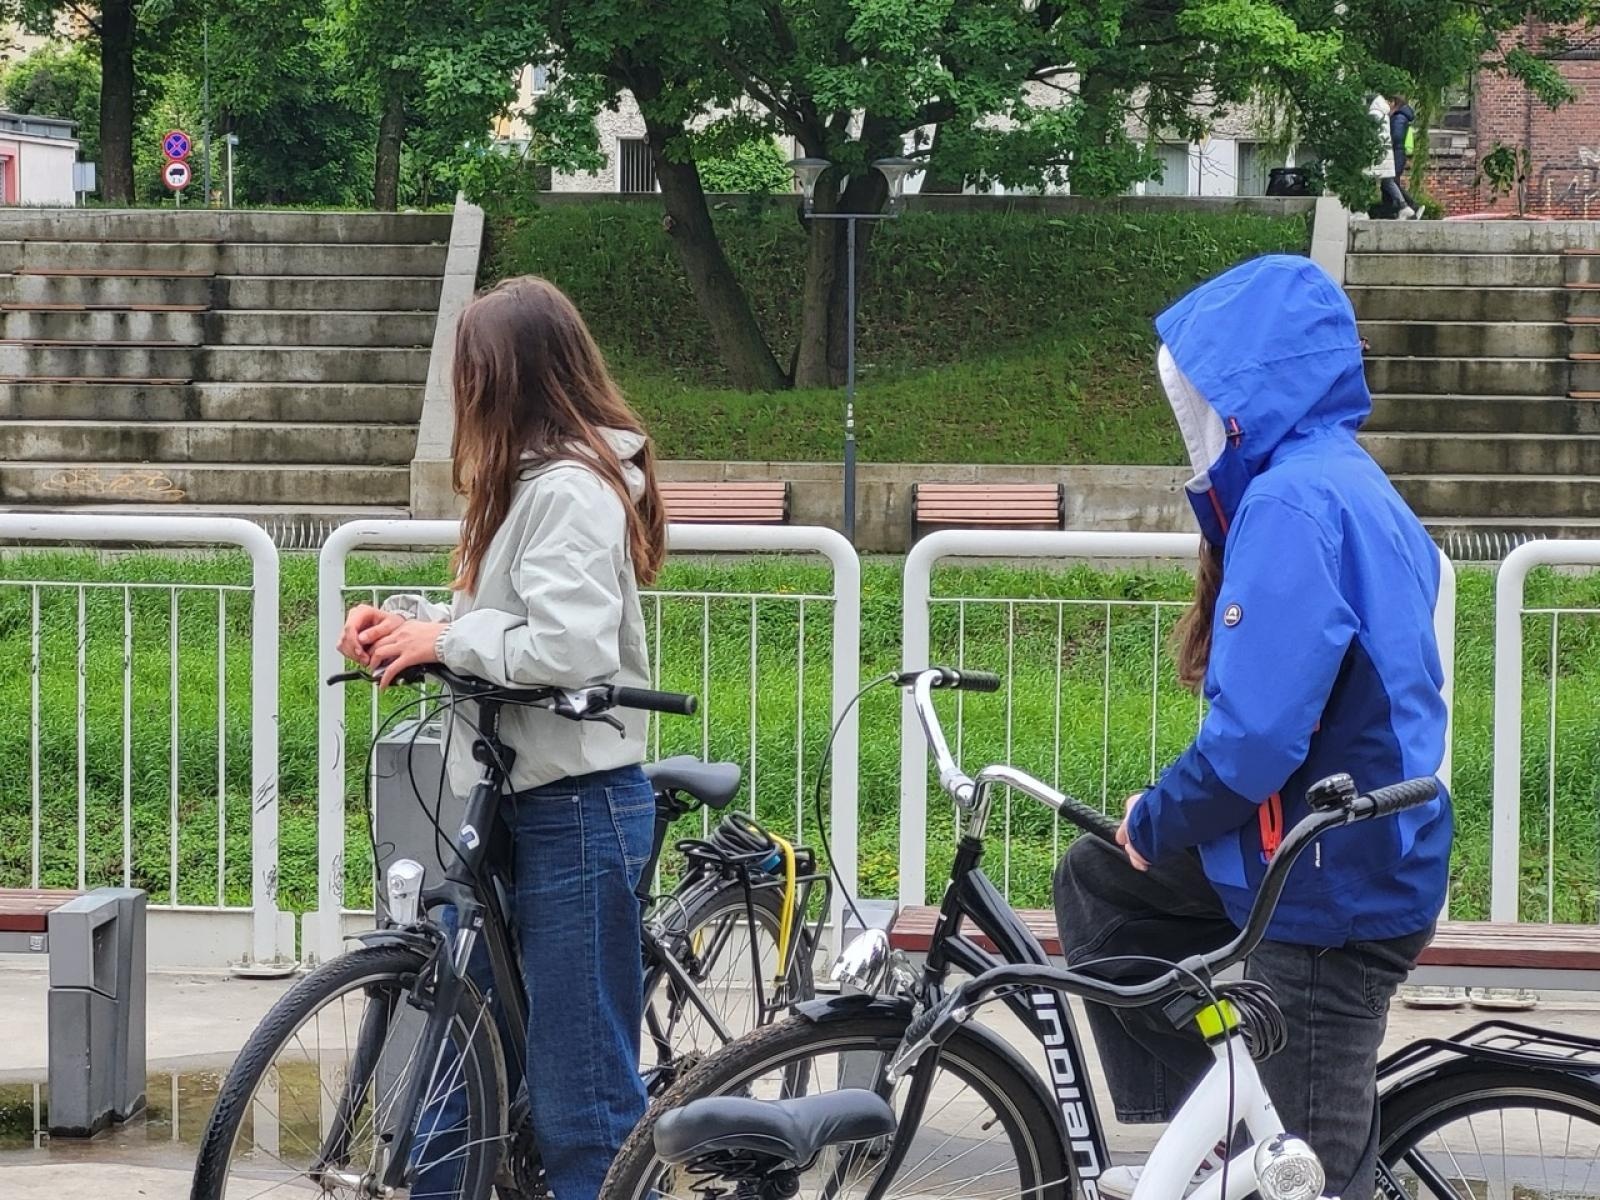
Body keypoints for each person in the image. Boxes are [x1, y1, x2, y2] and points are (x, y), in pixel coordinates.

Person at [1053, 255, 1452, 1200]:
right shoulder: (1344, 480)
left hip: (1323, 886)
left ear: (1245, 393)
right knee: (1102, 881)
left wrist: (1157, 814)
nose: (1186, 419)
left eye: (1198, 395)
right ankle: (1222, 1129)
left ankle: (1261, 1141)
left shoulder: (1289, 503)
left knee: (1311, 1178)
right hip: (1337, 849)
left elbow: (1253, 742)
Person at [337, 275, 667, 1200]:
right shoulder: (529, 485)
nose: (461, 395)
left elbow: (565, 646)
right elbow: (503, 626)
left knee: (581, 1102)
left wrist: (442, 638)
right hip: (515, 798)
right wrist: (405, 629)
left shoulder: (572, 489)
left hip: (575, 806)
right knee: (458, 1074)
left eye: (470, 374)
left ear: (510, 377)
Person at [1366, 93, 1414, 218]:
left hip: (1382, 153)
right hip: (1388, 153)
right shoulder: (1385, 114)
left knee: (1381, 181)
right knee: (1388, 182)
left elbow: (1376, 134)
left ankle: (1407, 207)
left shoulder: (1377, 114)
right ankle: (1402, 208)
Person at [1389, 94, 1422, 216]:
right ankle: (1394, 210)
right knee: (1389, 183)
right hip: (1398, 153)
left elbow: (1396, 136)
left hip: (1396, 153)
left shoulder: (1398, 117)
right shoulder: (1401, 117)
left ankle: (1411, 206)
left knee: (1391, 182)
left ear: (1394, 103)